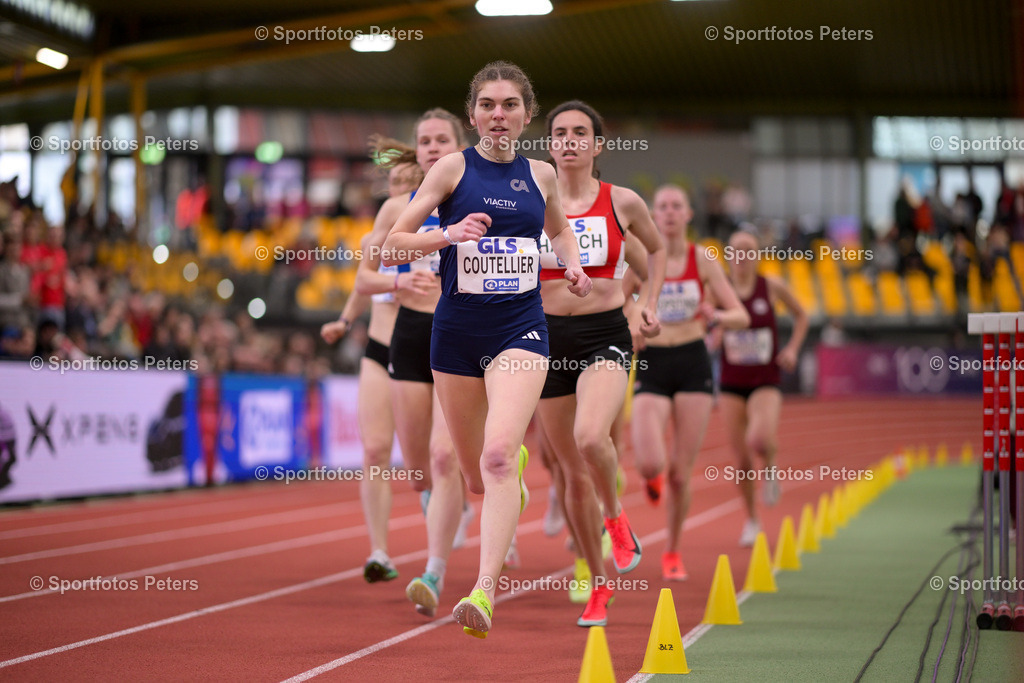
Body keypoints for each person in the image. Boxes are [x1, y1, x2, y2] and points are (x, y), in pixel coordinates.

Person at [382, 61, 591, 638]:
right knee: (476, 475)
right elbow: (392, 247)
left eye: (510, 105)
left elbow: (560, 231)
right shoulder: (452, 168)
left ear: (527, 115)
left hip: (521, 328)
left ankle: (483, 591)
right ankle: (507, 473)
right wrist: (447, 235)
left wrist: (572, 264)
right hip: (455, 333)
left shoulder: (542, 175)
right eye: (487, 105)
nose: (498, 114)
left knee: (497, 456)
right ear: (473, 115)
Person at [535, 100, 666, 627]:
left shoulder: (622, 201)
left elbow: (655, 253)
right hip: (544, 340)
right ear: (549, 145)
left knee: (592, 438)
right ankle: (597, 581)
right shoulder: (530, 200)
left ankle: (615, 517)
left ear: (597, 144)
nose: (569, 141)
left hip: (604, 335)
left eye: (580, 133)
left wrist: (647, 304)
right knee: (571, 474)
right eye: (560, 133)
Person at [354, 114, 477, 618]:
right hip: (407, 334)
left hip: (461, 332)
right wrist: (397, 282)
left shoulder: (480, 199)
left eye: (441, 140)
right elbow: (366, 274)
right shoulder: (396, 208)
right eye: (424, 141)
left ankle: (433, 570)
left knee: (446, 456)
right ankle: (447, 505)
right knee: (419, 469)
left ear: (459, 146)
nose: (431, 148)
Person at [631, 184, 749, 581]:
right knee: (650, 461)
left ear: (688, 214)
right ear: (653, 215)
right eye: (662, 206)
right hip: (653, 362)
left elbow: (741, 315)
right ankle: (651, 477)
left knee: (681, 475)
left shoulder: (703, 259)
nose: (668, 212)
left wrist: (716, 315)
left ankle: (672, 550)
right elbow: (616, 300)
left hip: (692, 362)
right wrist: (631, 322)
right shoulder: (642, 257)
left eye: (676, 206)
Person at [321, 154, 423, 584]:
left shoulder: (435, 232)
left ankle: (458, 501)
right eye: (393, 182)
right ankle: (379, 550)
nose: (398, 190)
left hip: (425, 350)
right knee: (375, 451)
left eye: (408, 182)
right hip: (381, 348)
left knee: (437, 458)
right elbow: (364, 283)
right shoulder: (375, 237)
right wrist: (345, 321)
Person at [711, 230, 808, 546]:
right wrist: (712, 333)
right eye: (737, 250)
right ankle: (752, 520)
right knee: (740, 460)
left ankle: (770, 464)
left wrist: (792, 349)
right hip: (731, 382)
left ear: (757, 255)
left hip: (766, 378)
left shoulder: (771, 286)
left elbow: (802, 315)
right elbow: (704, 320)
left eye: (749, 250)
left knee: (760, 438)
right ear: (728, 255)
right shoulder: (719, 289)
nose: (742, 256)